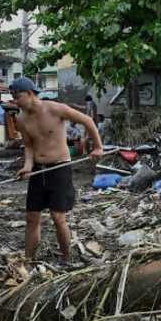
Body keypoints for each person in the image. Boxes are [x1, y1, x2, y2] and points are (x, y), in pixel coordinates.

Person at [10, 77, 104, 263]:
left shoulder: (55, 109)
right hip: (38, 169)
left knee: (58, 216)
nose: (15, 101)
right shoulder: (20, 119)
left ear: (29, 94)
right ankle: (28, 260)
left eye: (17, 96)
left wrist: (98, 147)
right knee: (31, 217)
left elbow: (87, 120)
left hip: (59, 167)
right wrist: (27, 166)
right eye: (13, 97)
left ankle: (66, 258)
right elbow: (28, 146)